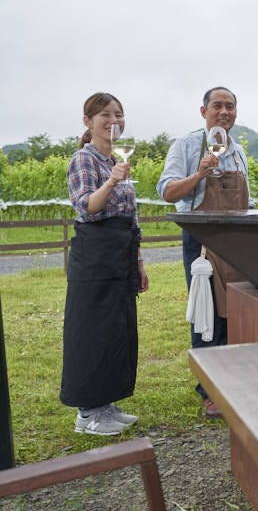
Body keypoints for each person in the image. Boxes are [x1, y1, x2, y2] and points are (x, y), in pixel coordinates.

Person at [156, 87, 253, 418]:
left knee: (234, 312)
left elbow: (246, 201)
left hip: (237, 241)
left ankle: (232, 383)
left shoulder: (238, 150)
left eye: (230, 106)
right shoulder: (185, 145)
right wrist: (199, 173)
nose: (223, 112)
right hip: (202, 243)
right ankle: (209, 392)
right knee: (206, 314)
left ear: (236, 113)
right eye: (217, 106)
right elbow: (168, 192)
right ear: (203, 111)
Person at [61, 92, 149, 436]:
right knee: (93, 331)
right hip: (96, 255)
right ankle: (87, 412)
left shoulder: (117, 161)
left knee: (117, 330)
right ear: (88, 122)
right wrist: (112, 179)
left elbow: (131, 214)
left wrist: (139, 261)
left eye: (119, 115)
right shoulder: (84, 160)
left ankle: (106, 403)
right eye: (105, 115)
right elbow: (87, 208)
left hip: (121, 252)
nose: (114, 121)